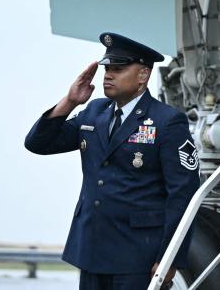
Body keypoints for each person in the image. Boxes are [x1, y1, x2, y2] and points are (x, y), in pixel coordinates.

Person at [25, 32, 199, 290]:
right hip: (92, 249)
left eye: (118, 69)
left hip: (138, 255)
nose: (108, 75)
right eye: (107, 68)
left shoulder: (167, 121)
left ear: (143, 75)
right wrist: (70, 101)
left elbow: (183, 195)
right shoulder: (95, 112)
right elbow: (38, 144)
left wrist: (168, 258)